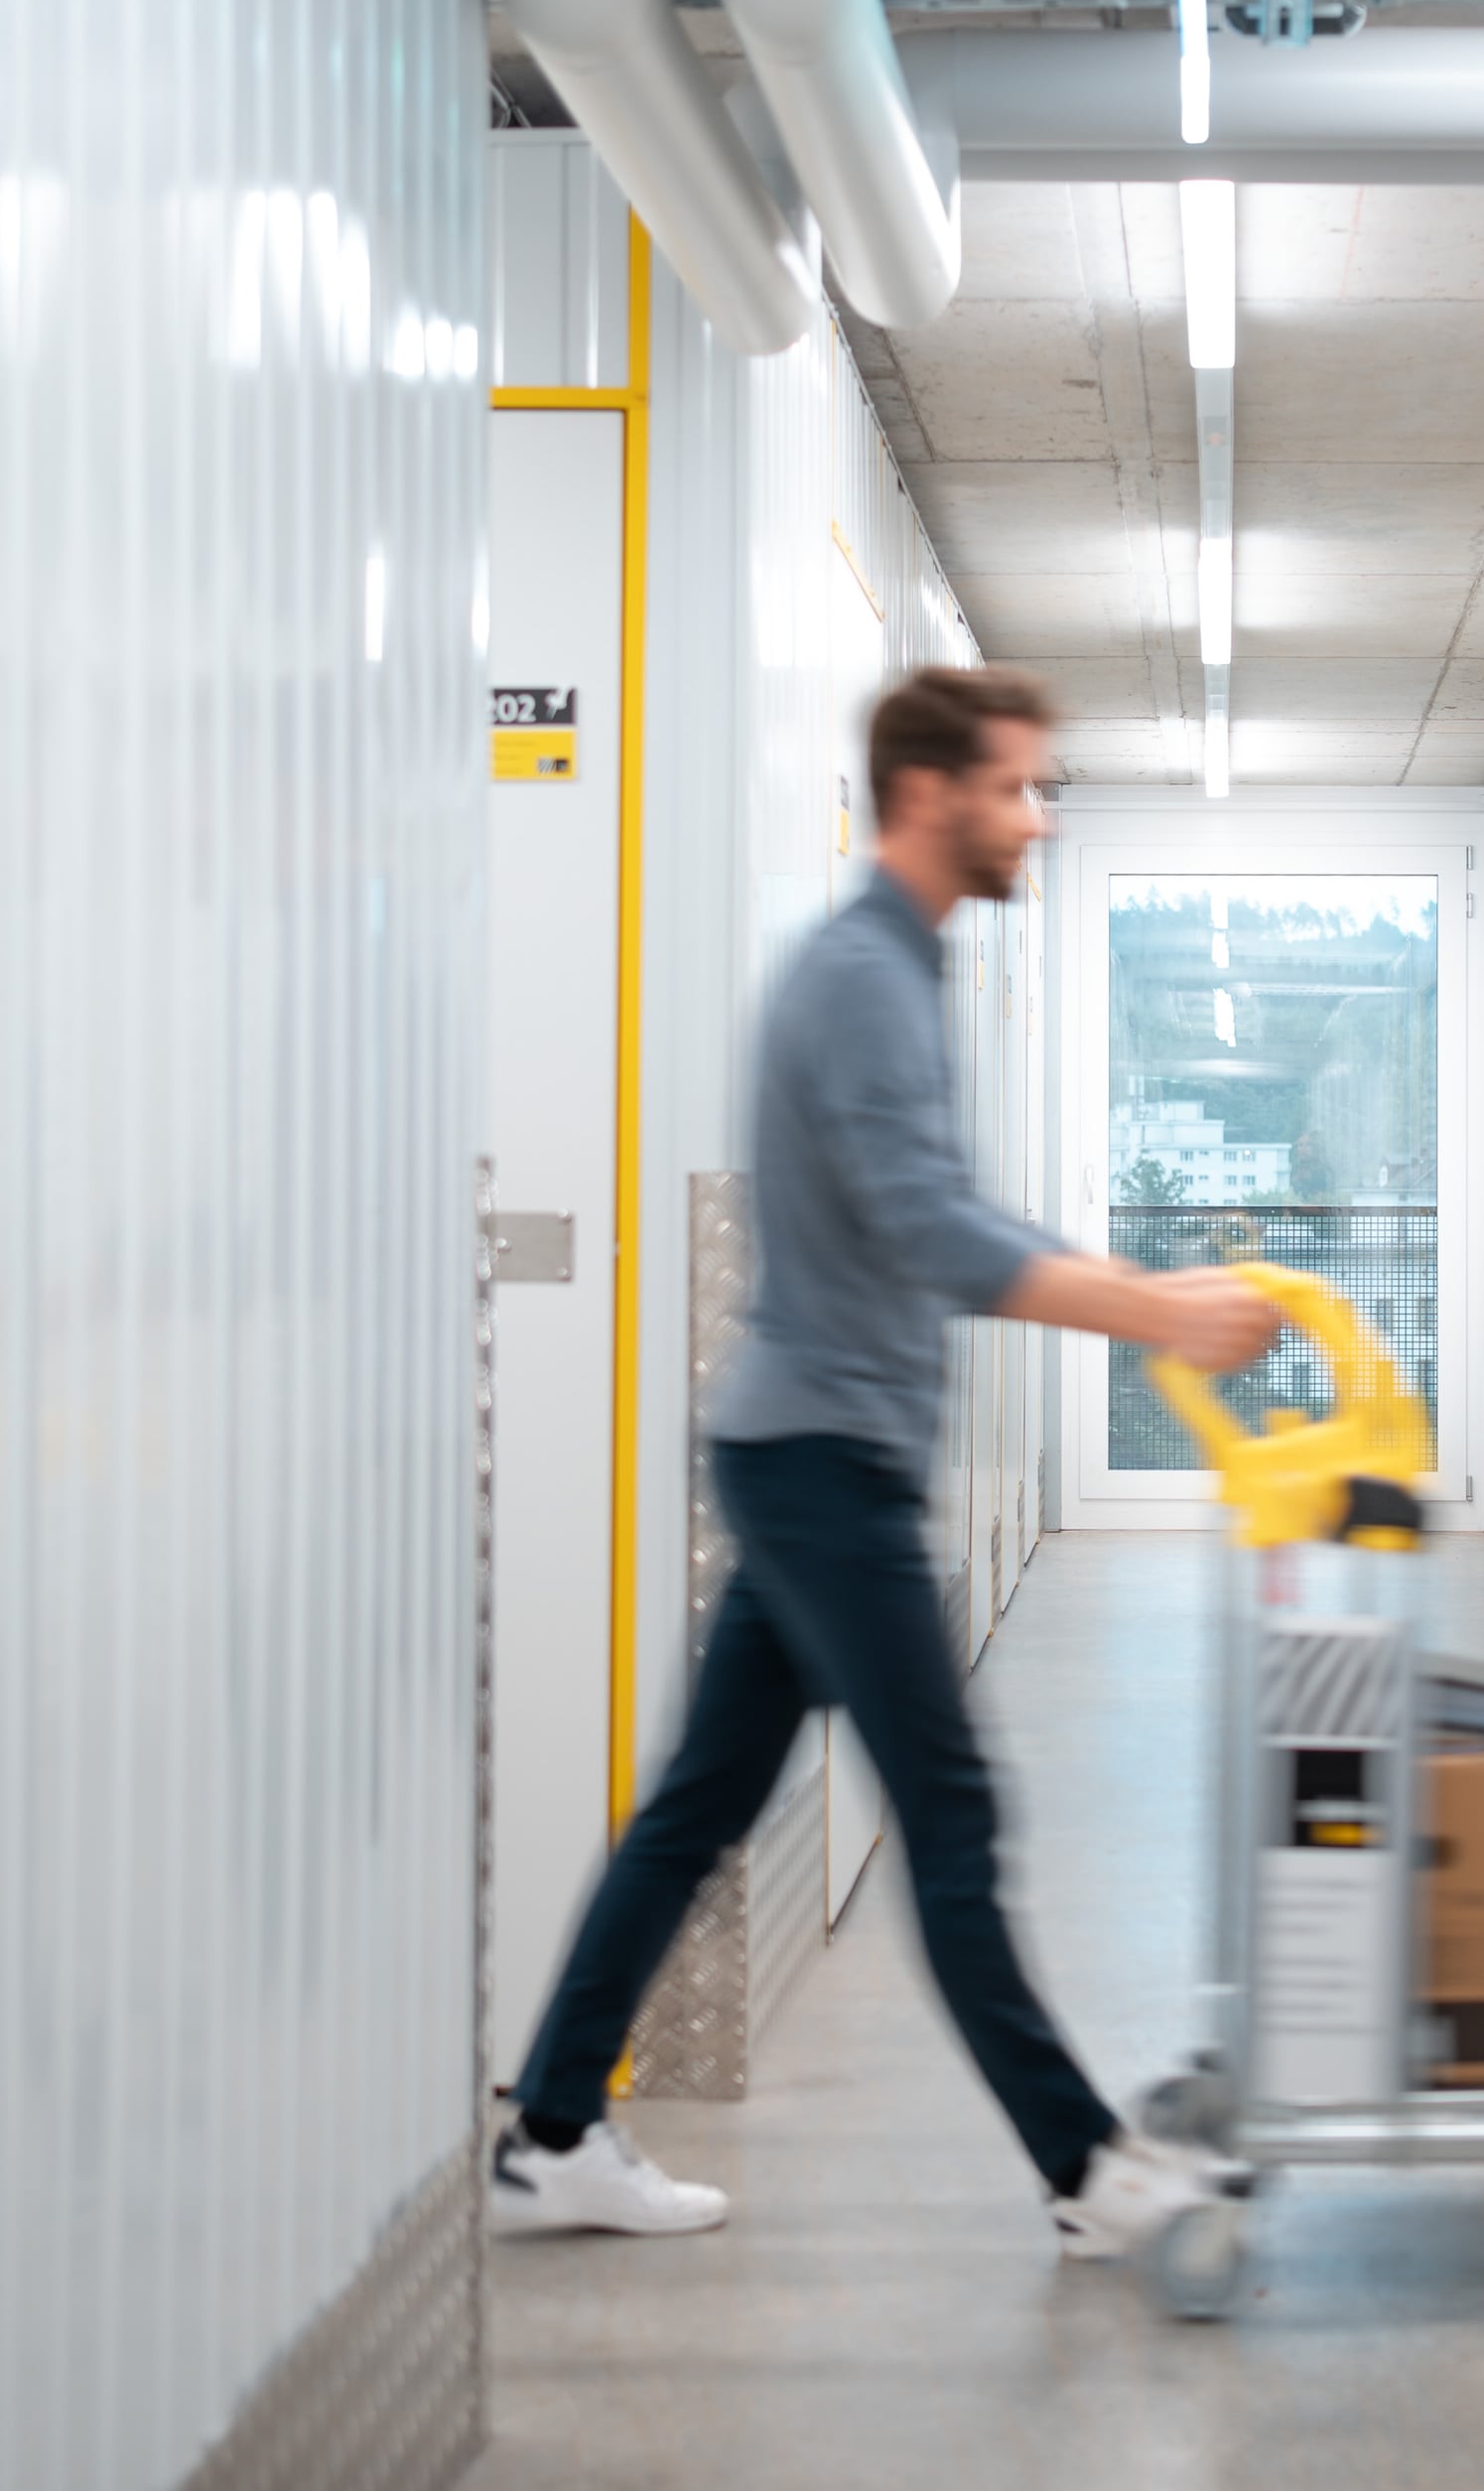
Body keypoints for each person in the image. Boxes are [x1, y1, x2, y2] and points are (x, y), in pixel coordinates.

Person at [490, 665, 1282, 2259]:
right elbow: (931, 1235)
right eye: (1017, 787)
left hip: (805, 1448)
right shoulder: (861, 978)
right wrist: (1156, 1314)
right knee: (954, 1809)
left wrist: (1134, 1290)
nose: (1036, 816)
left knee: (699, 1806)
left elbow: (940, 1215)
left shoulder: (890, 970)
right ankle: (1088, 2169)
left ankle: (554, 2129)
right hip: (819, 1467)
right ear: (930, 796)